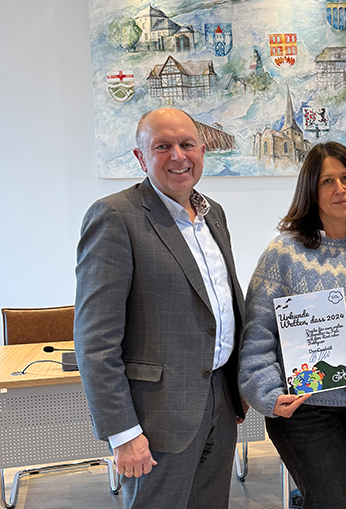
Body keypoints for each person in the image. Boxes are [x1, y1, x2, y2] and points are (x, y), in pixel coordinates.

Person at [74, 108, 246, 509]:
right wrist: (123, 433)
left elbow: (221, 305)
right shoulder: (115, 216)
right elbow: (95, 340)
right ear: (141, 157)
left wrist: (237, 388)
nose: (178, 156)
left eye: (187, 144)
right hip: (156, 418)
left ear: (202, 150)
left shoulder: (213, 214)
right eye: (163, 146)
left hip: (220, 401)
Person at [239, 142, 346, 509]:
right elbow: (257, 335)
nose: (340, 189)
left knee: (341, 501)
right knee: (334, 501)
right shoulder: (283, 254)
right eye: (327, 181)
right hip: (303, 406)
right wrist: (268, 395)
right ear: (311, 190)